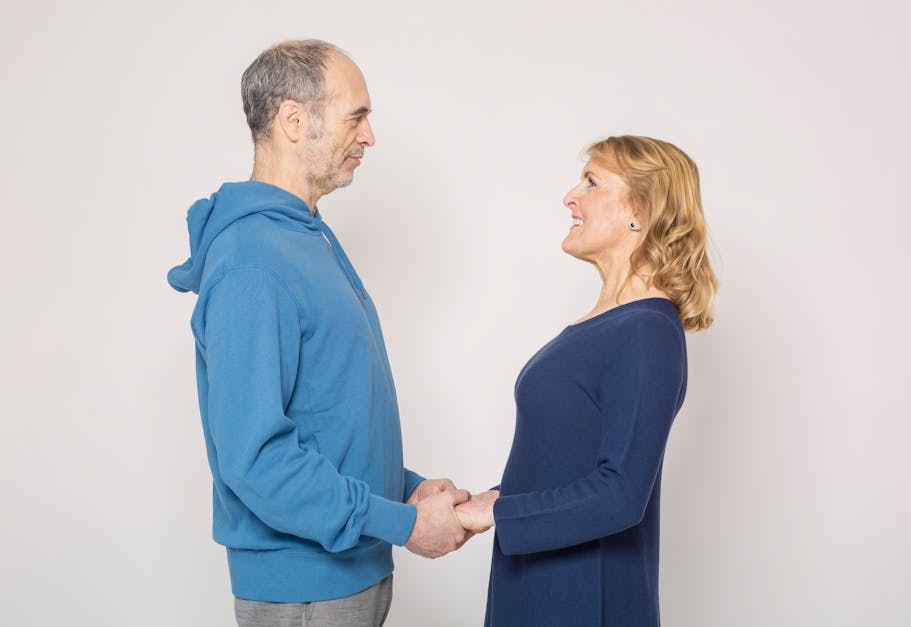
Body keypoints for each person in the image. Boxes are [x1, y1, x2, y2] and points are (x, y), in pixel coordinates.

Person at [167, 39, 469, 627]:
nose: (369, 137)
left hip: (347, 574)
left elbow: (323, 418)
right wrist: (403, 525)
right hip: (304, 590)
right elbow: (256, 460)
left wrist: (402, 490)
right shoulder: (254, 260)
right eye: (356, 116)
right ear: (293, 119)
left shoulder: (306, 238)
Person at [456, 135, 718, 626]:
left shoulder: (645, 331)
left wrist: (498, 515)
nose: (570, 197)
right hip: (537, 582)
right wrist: (495, 498)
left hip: (582, 598)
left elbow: (621, 494)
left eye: (592, 182)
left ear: (640, 210)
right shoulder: (611, 324)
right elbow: (567, 461)